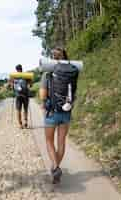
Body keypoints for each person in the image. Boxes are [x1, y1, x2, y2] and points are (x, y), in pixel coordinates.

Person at [39, 47, 74, 184]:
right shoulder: (71, 72)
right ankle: (56, 168)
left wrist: (43, 103)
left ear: (52, 59)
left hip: (52, 112)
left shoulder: (47, 74)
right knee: (61, 142)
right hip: (66, 112)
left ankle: (55, 167)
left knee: (49, 141)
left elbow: (42, 95)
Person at [11, 64, 31, 129]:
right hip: (25, 95)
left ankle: (20, 124)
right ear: (21, 69)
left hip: (18, 95)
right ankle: (26, 122)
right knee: (25, 109)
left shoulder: (14, 76)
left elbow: (11, 86)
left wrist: (13, 88)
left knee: (18, 110)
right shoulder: (26, 75)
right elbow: (30, 85)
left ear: (16, 69)